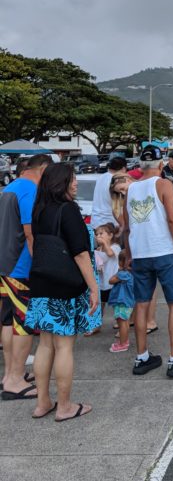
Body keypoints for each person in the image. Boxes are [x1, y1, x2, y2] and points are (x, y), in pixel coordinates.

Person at [25, 163, 100, 421]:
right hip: (65, 285)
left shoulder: (39, 209)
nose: (76, 183)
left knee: (45, 344)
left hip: (41, 281)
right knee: (64, 345)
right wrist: (93, 288)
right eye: (72, 179)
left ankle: (42, 402)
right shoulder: (68, 210)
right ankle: (65, 406)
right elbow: (80, 253)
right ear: (61, 182)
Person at [123, 144, 173, 378]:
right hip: (164, 251)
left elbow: (126, 227)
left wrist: (128, 254)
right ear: (161, 165)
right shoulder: (164, 184)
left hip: (140, 254)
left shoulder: (130, 190)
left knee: (141, 303)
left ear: (141, 166)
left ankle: (142, 357)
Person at [0, 153, 52, 401]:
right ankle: (14, 379)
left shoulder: (9, 187)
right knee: (24, 325)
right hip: (21, 267)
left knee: (9, 321)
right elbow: (30, 234)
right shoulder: (30, 190)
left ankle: (10, 373)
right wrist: (41, 265)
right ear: (42, 170)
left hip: (5, 265)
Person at [92, 223, 120, 325]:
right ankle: (96, 325)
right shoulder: (98, 250)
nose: (98, 236)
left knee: (116, 306)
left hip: (114, 283)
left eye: (101, 233)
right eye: (96, 234)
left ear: (110, 235)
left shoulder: (115, 247)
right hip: (102, 283)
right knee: (100, 305)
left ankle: (120, 324)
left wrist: (104, 243)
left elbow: (110, 253)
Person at [108, 251, 135, 353]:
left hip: (122, 302)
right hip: (128, 302)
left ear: (121, 262)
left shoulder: (123, 274)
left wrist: (119, 271)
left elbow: (110, 280)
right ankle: (125, 341)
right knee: (125, 322)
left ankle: (122, 344)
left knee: (122, 322)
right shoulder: (132, 274)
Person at [90, 156, 127, 229]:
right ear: (123, 168)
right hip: (111, 226)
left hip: (96, 223)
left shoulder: (101, 178)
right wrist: (124, 226)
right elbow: (117, 209)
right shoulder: (118, 180)